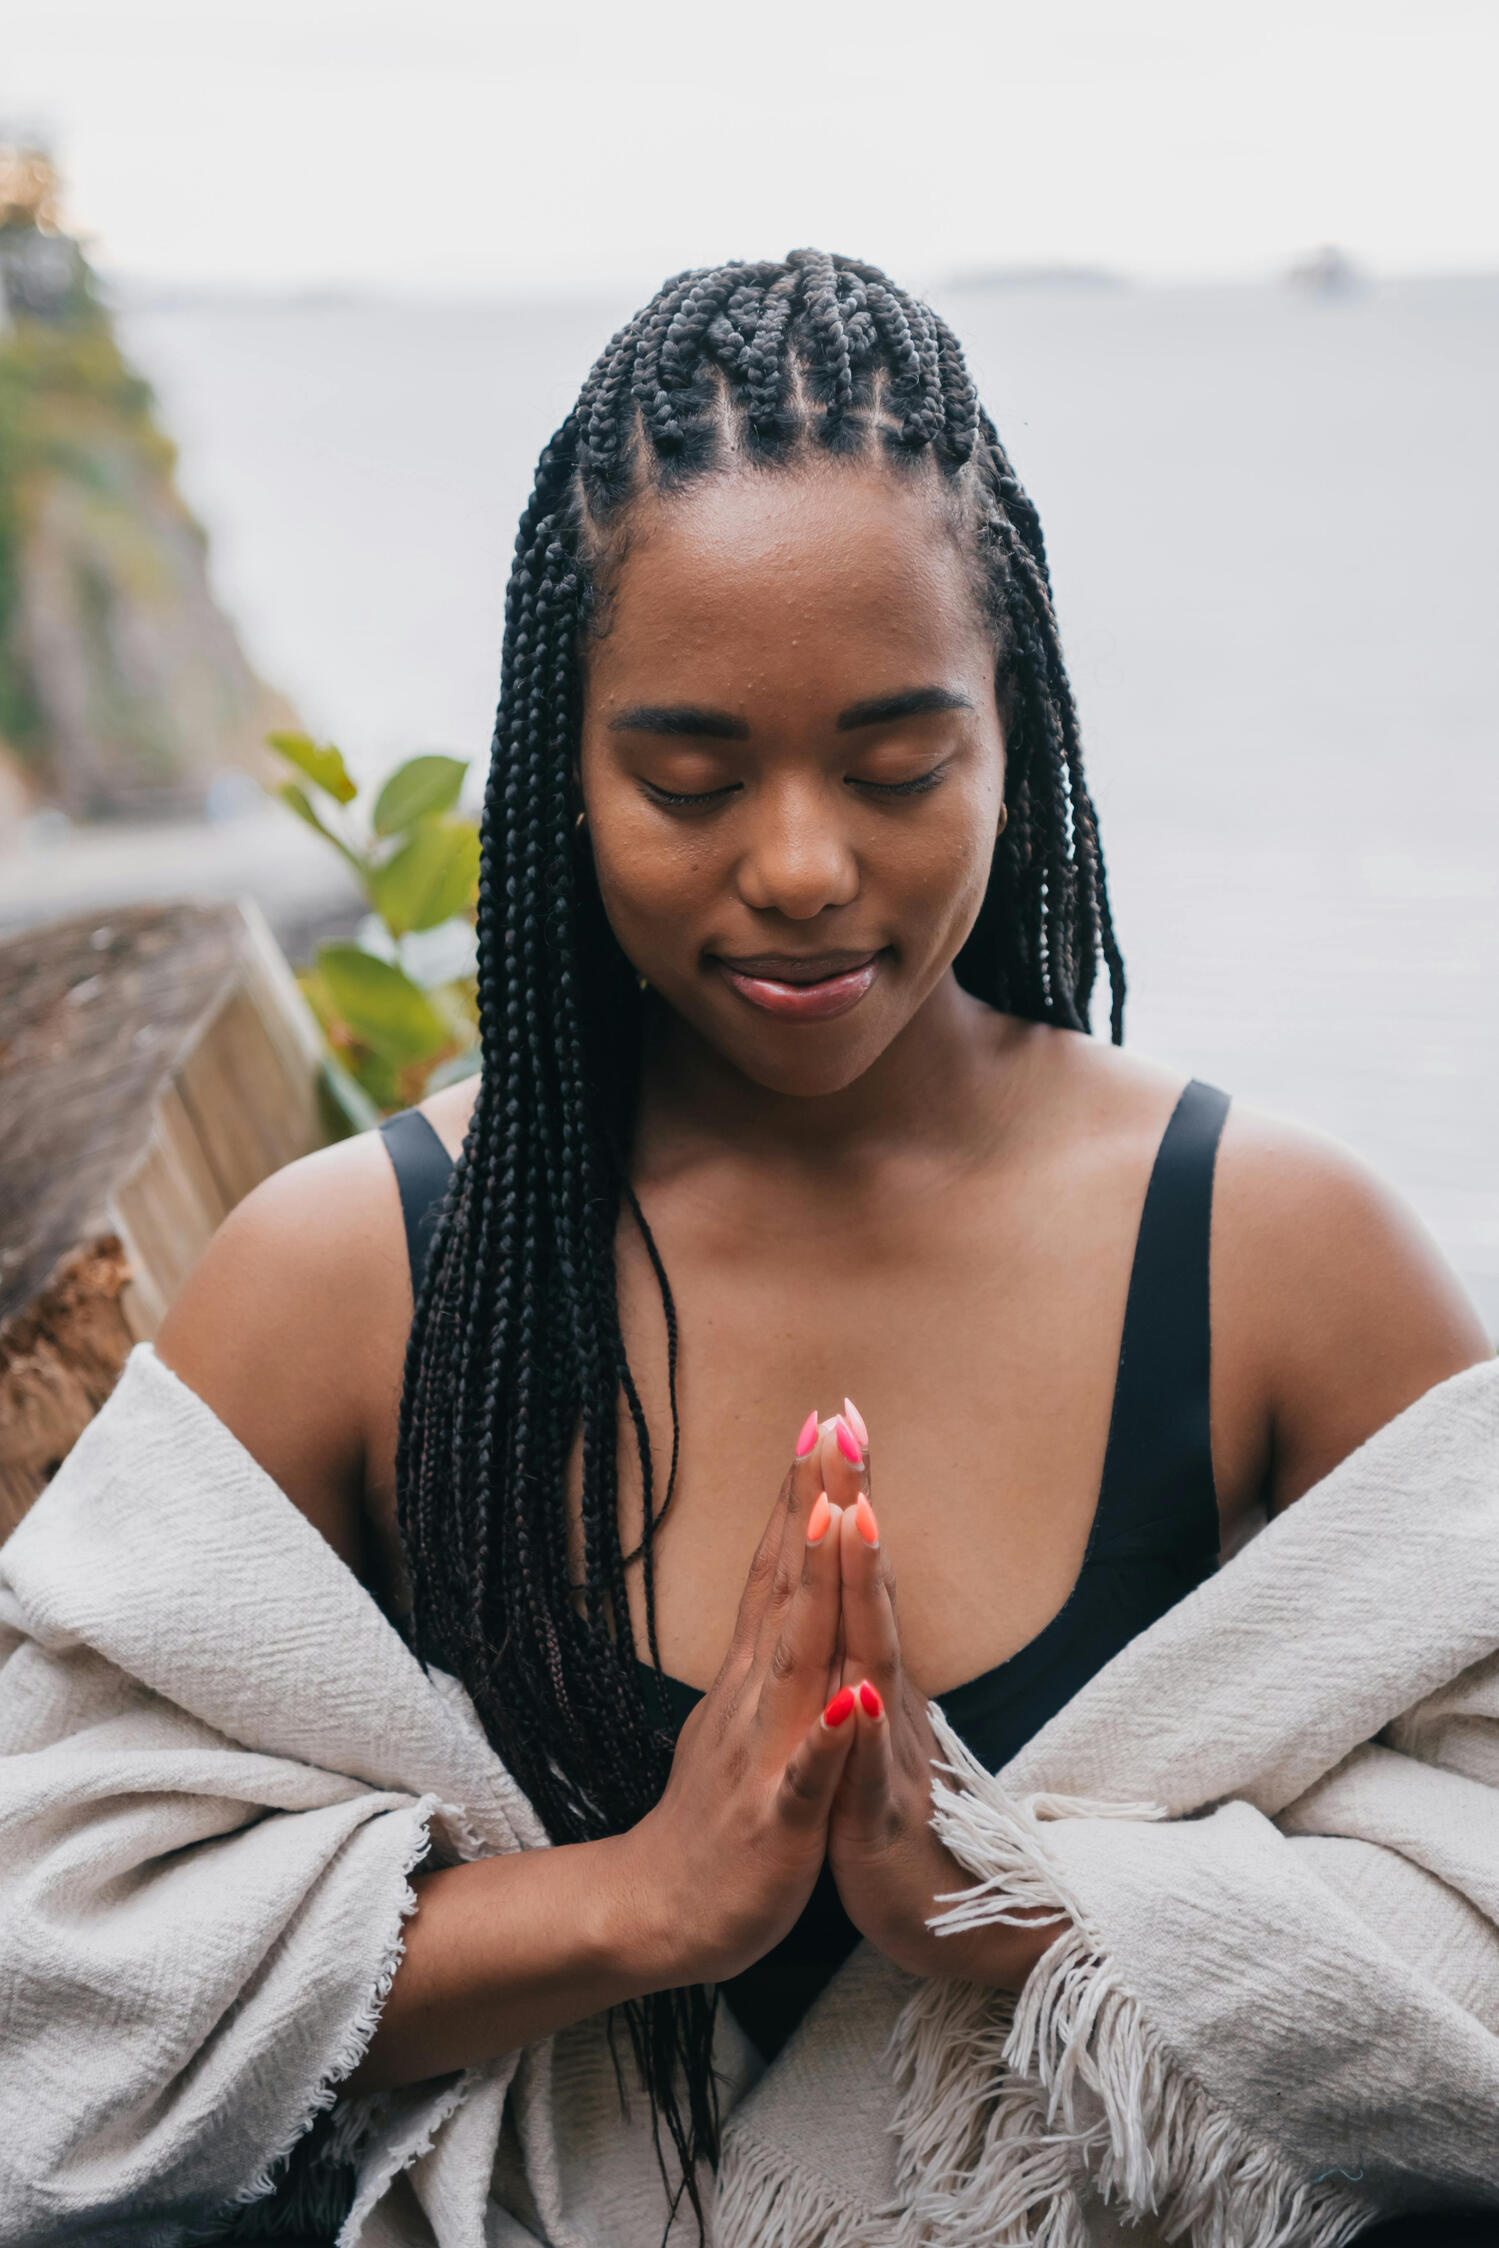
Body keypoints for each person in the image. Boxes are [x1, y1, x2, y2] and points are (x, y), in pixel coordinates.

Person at [5, 250, 1496, 2248]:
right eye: (689, 779)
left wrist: (1010, 1908)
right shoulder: (354, 1276)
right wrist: (649, 1897)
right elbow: (67, 1989)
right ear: (563, 763)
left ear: (1015, 727)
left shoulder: (1274, 1258)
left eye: (898, 766)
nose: (800, 867)